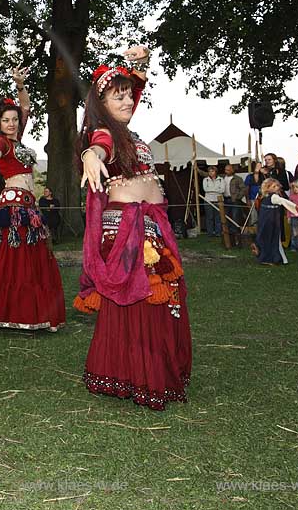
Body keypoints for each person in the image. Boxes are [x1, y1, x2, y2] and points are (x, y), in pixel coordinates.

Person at [73, 46, 192, 411]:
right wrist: (91, 156)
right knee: (139, 297)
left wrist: (140, 66)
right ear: (101, 102)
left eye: (129, 96)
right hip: (127, 230)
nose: (127, 101)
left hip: (150, 224)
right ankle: (137, 375)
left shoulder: (127, 129)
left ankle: (137, 372)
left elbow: (135, 88)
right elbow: (100, 148)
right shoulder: (104, 131)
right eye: (117, 96)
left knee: (157, 296)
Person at [0, 69, 66, 332]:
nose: (12, 123)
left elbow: (24, 105)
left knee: (32, 259)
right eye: (6, 120)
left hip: (28, 204)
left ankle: (35, 314)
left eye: (14, 120)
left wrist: (20, 84)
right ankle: (12, 313)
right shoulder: (2, 141)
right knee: (16, 261)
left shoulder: (19, 140)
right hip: (13, 206)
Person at [253, 178, 295, 265]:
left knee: (268, 238)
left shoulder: (266, 196)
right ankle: (269, 258)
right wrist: (297, 209)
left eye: (277, 186)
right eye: (274, 186)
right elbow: (285, 202)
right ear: (268, 188)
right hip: (270, 221)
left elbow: (284, 202)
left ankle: (268, 256)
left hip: (267, 220)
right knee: (271, 238)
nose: (276, 188)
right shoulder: (272, 196)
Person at [223, 163, 248, 246]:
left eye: (228, 170)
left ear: (232, 170)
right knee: (227, 218)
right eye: (226, 170)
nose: (227, 171)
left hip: (234, 200)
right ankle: (230, 238)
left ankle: (236, 238)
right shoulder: (223, 178)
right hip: (225, 200)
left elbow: (243, 189)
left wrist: (238, 197)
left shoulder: (238, 178)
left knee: (235, 218)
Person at [201, 166, 224, 237]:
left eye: (212, 171)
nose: (211, 173)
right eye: (209, 171)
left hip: (218, 200)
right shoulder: (206, 180)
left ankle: (218, 233)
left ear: (215, 172)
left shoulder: (221, 179)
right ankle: (210, 233)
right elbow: (205, 189)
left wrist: (211, 190)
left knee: (218, 217)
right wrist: (217, 190)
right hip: (208, 200)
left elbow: (222, 190)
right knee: (209, 217)